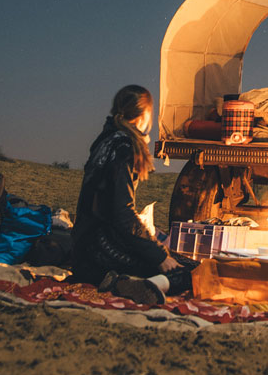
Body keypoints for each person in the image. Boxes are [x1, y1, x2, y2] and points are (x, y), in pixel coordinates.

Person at [71, 84, 193, 305]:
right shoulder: (125, 148)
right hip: (101, 247)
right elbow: (122, 214)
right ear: (144, 115)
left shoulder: (106, 139)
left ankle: (126, 281)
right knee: (189, 272)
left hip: (83, 248)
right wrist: (159, 255)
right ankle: (137, 285)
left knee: (176, 261)